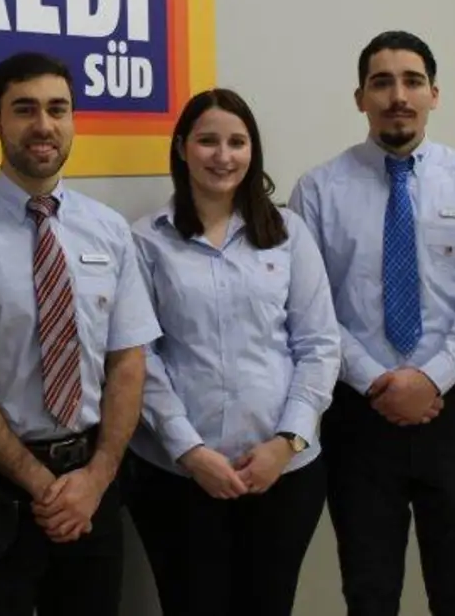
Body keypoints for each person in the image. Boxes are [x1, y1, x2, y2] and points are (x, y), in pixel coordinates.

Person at [288, 30, 455, 616]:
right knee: (369, 590)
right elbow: (312, 313)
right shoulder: (317, 192)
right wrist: (379, 384)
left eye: (412, 81)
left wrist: (430, 379)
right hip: (357, 418)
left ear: (435, 95)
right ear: (360, 97)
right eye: (382, 82)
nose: (398, 95)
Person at [0, 52, 160, 616]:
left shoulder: (108, 229)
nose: (43, 125)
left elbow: (128, 363)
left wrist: (97, 476)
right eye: (24, 109)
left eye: (57, 109)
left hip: (94, 484)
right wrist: (38, 481)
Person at [127, 88, 343, 616]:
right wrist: (190, 451)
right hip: (178, 477)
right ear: (182, 148)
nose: (223, 156)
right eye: (208, 141)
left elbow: (318, 343)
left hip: (283, 475)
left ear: (253, 152)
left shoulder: (289, 233)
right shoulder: (146, 241)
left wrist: (286, 442)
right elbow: (141, 358)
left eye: (237, 142)